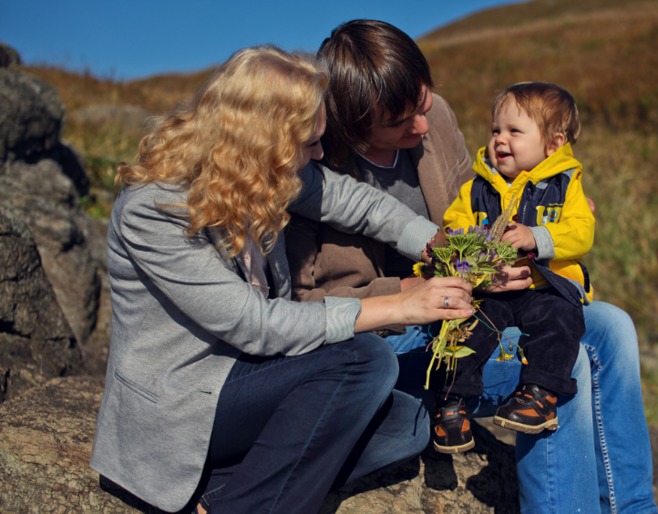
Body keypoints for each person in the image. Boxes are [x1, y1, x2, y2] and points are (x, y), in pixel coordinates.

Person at [287, 19, 658, 513]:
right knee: (553, 360)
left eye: (423, 104)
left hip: (476, 304)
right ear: (353, 126)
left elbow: (479, 200)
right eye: (401, 122)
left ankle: (635, 507)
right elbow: (308, 305)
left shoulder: (435, 116)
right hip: (393, 339)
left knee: (612, 326)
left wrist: (531, 225)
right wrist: (420, 291)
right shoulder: (314, 169)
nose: (422, 127)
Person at [90, 45, 479, 514]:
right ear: (263, 142)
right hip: (186, 403)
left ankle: (220, 493)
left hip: (259, 381)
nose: (321, 153)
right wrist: (399, 306)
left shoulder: (264, 174)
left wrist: (443, 247)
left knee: (408, 423)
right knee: (364, 361)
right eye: (311, 143)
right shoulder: (154, 211)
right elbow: (253, 324)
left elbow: (359, 204)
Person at [429, 81, 594, 454]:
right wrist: (463, 241)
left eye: (514, 131)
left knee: (563, 322)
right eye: (495, 130)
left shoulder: (565, 184)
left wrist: (537, 236)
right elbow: (452, 226)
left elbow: (582, 231)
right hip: (490, 288)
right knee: (466, 325)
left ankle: (538, 394)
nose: (500, 140)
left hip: (543, 286)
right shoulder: (476, 188)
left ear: (553, 144)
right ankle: (453, 403)